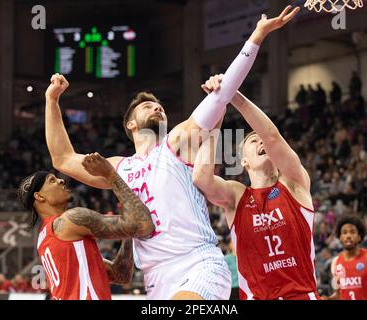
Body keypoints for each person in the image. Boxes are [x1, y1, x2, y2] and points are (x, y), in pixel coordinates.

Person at [44, 5, 300, 300]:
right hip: (155, 277)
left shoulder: (176, 142)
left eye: (159, 106)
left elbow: (223, 93)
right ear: (130, 124)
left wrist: (257, 35)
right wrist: (52, 101)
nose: (157, 107)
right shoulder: (118, 168)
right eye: (146, 106)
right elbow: (62, 158)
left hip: (197, 263)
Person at [193, 74, 319, 300]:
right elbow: (201, 178)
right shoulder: (236, 194)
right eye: (253, 140)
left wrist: (232, 94)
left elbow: (271, 136)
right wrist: (218, 110)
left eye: (261, 138)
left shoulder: (294, 183)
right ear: (244, 161)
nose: (261, 140)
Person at [17, 153, 155, 300]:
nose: (61, 180)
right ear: (39, 196)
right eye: (52, 180)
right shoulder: (71, 220)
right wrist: (110, 174)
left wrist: (127, 233)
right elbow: (143, 225)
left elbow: (120, 275)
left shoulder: (44, 238)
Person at [324, 215, 367, 300]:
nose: (348, 236)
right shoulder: (335, 262)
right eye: (345, 232)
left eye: (352, 232)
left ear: (359, 236)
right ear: (340, 237)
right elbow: (339, 294)